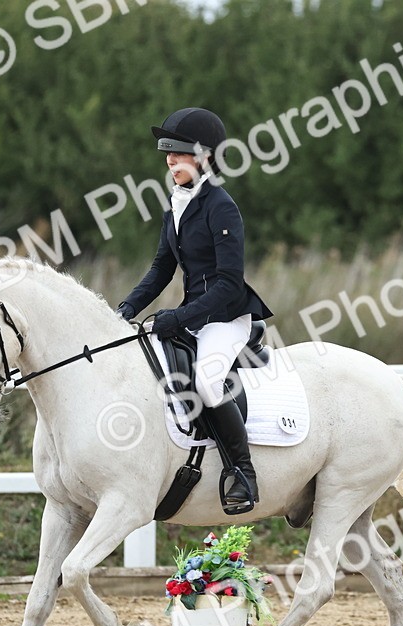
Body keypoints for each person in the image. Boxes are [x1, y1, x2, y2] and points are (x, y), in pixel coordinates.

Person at [118, 107, 273, 515]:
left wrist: (177, 318)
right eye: (167, 153)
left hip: (226, 318)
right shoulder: (176, 205)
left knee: (206, 381)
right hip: (194, 314)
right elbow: (160, 270)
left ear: (204, 156)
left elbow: (229, 284)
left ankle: (242, 471)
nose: (170, 160)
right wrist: (125, 309)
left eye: (180, 153)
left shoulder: (221, 207)